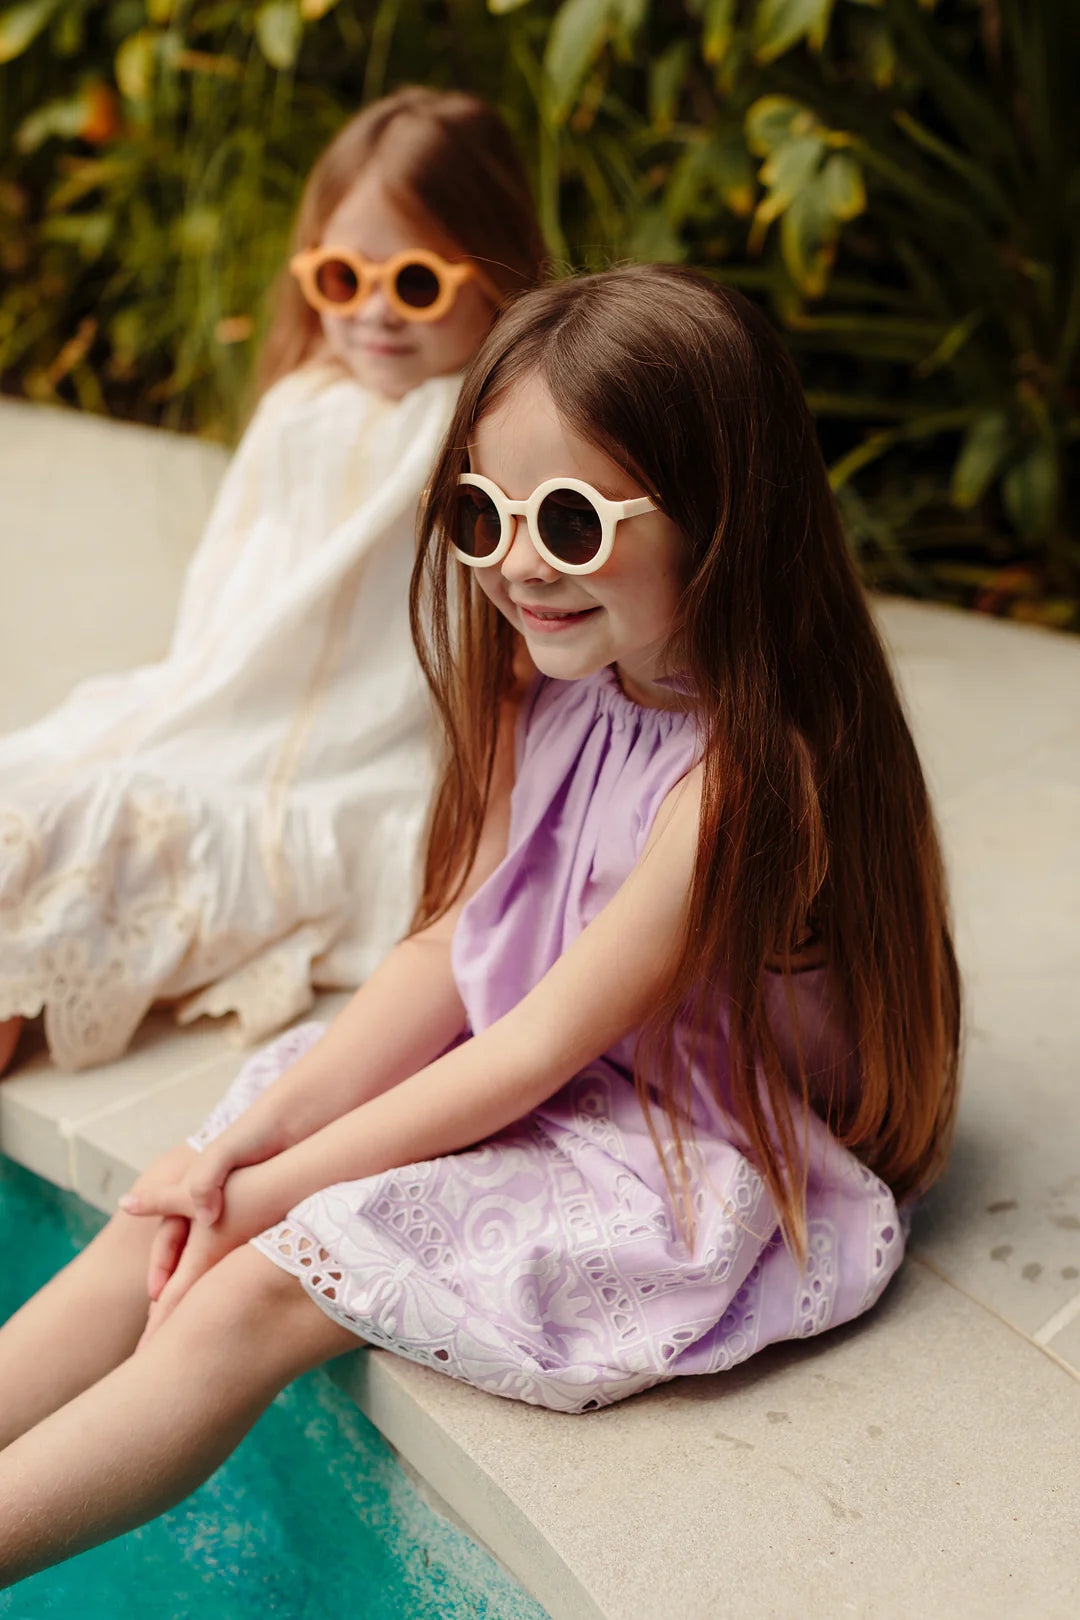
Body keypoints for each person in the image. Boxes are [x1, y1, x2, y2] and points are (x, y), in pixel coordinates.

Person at [0, 266, 960, 1585]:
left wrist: (273, 1193)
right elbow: (449, 950)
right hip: (555, 1070)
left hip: (676, 1135)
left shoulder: (746, 779)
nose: (514, 565)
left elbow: (531, 1054)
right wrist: (238, 1148)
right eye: (480, 511)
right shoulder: (540, 686)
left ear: (724, 517)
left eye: (569, 521)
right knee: (173, 1203)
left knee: (252, 1290)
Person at [0, 86, 546, 1076]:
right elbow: (232, 614)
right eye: (341, 276)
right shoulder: (304, 405)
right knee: (35, 796)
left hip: (366, 762)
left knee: (84, 833)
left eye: (416, 283)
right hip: (219, 715)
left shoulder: (486, 431)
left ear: (494, 275)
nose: (373, 311)